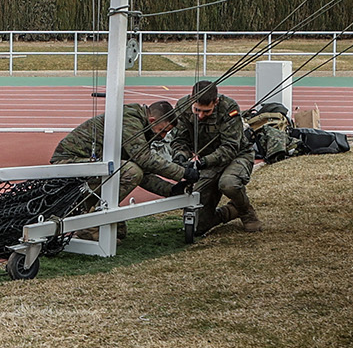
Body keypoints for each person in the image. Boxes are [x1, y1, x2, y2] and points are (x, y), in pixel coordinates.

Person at [50, 100, 196, 200]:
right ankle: (90, 220)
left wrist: (170, 189)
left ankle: (95, 213)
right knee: (131, 171)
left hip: (92, 164)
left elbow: (144, 170)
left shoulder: (144, 127)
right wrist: (182, 172)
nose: (163, 136)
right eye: (162, 131)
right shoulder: (131, 119)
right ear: (152, 120)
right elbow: (144, 160)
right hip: (69, 163)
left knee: (119, 232)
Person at [177, 80, 261, 234]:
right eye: (197, 110)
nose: (201, 115)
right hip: (207, 162)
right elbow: (180, 141)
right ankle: (231, 211)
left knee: (228, 183)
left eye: (206, 111)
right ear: (191, 99)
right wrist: (182, 157)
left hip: (236, 156)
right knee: (196, 227)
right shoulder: (182, 107)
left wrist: (203, 161)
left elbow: (230, 147)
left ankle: (246, 211)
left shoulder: (229, 108)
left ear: (216, 102)